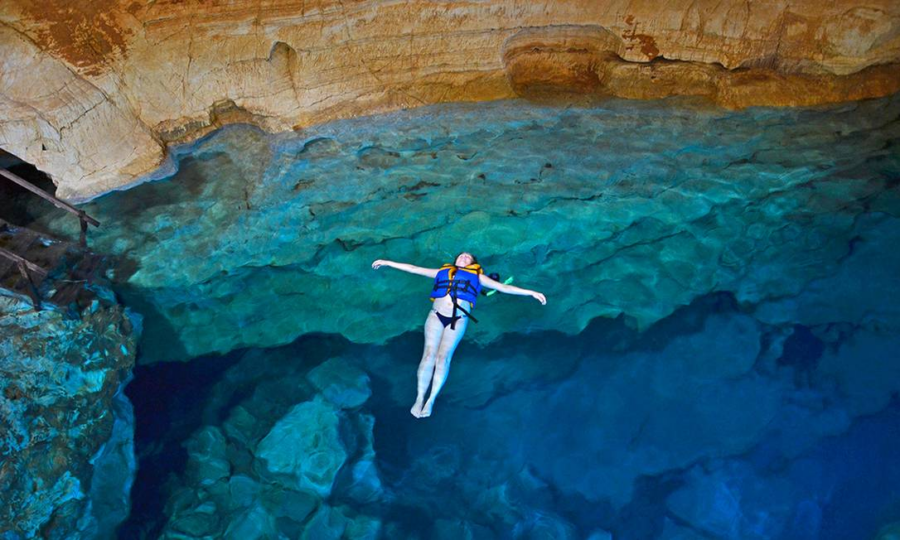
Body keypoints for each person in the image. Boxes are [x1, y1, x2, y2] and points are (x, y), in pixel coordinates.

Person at [371, 252, 547, 418]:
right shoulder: (442, 271)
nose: (463, 256)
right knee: (428, 356)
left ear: (473, 263)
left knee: (443, 358)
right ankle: (419, 398)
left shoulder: (478, 276)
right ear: (455, 260)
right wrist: (388, 262)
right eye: (461, 255)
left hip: (458, 319)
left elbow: (503, 287)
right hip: (435, 316)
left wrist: (530, 292)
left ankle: (431, 399)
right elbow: (414, 269)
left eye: (468, 257)